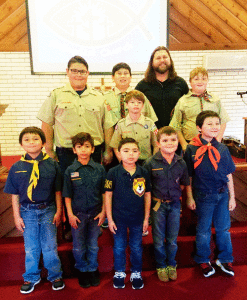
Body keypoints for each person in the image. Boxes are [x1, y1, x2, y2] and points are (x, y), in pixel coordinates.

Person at [4, 127, 65, 294]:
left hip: (48, 210)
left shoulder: (52, 164)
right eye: (27, 139)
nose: (31, 142)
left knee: (50, 245)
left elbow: (58, 191)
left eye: (36, 139)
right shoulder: (16, 167)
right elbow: (14, 195)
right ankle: (31, 276)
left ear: (43, 143)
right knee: (31, 247)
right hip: (27, 212)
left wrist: (59, 211)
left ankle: (55, 275)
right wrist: (16, 217)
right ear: (21, 144)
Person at [37, 55, 116, 173]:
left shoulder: (99, 97)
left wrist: (108, 150)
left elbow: (108, 125)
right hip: (66, 152)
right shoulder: (56, 95)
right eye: (74, 71)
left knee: (93, 186)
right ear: (67, 72)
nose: (78, 75)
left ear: (87, 73)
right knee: (68, 187)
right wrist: (49, 150)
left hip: (93, 151)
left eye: (82, 71)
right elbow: (47, 123)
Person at [184, 111, 236, 278]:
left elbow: (229, 174)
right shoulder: (191, 149)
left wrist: (232, 196)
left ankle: (225, 258)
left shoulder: (222, 148)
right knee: (204, 230)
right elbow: (188, 176)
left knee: (223, 229)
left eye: (216, 123)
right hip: (203, 196)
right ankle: (203, 259)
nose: (214, 127)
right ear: (199, 128)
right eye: (209, 124)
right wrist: (190, 196)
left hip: (222, 195)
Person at [144, 126, 190, 282]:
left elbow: (183, 183)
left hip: (175, 204)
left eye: (173, 140)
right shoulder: (150, 163)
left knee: (172, 239)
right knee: (158, 239)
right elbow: (146, 189)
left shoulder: (181, 163)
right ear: (158, 143)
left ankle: (171, 264)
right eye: (165, 140)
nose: (169, 143)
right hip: (158, 206)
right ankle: (161, 265)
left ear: (178, 142)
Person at [105, 138, 151, 289]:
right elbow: (108, 196)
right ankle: (119, 272)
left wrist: (146, 218)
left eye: (134, 151)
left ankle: (136, 272)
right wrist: (109, 219)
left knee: (137, 246)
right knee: (119, 246)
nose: (130, 154)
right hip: (119, 218)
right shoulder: (112, 172)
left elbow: (147, 196)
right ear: (118, 153)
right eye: (126, 151)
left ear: (139, 153)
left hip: (137, 218)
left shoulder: (143, 172)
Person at [63, 132, 106, 288]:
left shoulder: (100, 169)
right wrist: (70, 215)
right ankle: (82, 270)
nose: (83, 150)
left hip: (96, 214)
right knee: (79, 245)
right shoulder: (70, 171)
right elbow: (67, 195)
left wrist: (104, 212)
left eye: (87, 146)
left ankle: (93, 269)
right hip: (78, 216)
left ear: (93, 149)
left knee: (93, 244)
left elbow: (104, 193)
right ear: (74, 150)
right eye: (79, 147)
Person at [170, 67, 230, 151]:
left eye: (204, 79)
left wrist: (218, 140)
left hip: (212, 144)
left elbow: (223, 121)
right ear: (190, 82)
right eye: (196, 79)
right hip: (191, 144)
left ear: (207, 81)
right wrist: (184, 144)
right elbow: (175, 126)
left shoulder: (215, 99)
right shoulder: (182, 101)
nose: (200, 82)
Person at [135, 46, 189, 129]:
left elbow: (187, 110)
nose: (162, 60)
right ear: (152, 63)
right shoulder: (142, 86)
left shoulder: (181, 83)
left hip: (175, 135)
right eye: (158, 58)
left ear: (170, 60)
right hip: (150, 134)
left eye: (165, 57)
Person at [110, 90, 158, 165]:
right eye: (132, 102)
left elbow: (156, 145)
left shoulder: (150, 123)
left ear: (143, 105)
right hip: (127, 162)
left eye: (139, 103)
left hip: (146, 162)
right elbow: (115, 146)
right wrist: (122, 162)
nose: (136, 105)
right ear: (126, 105)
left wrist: (153, 162)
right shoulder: (121, 124)